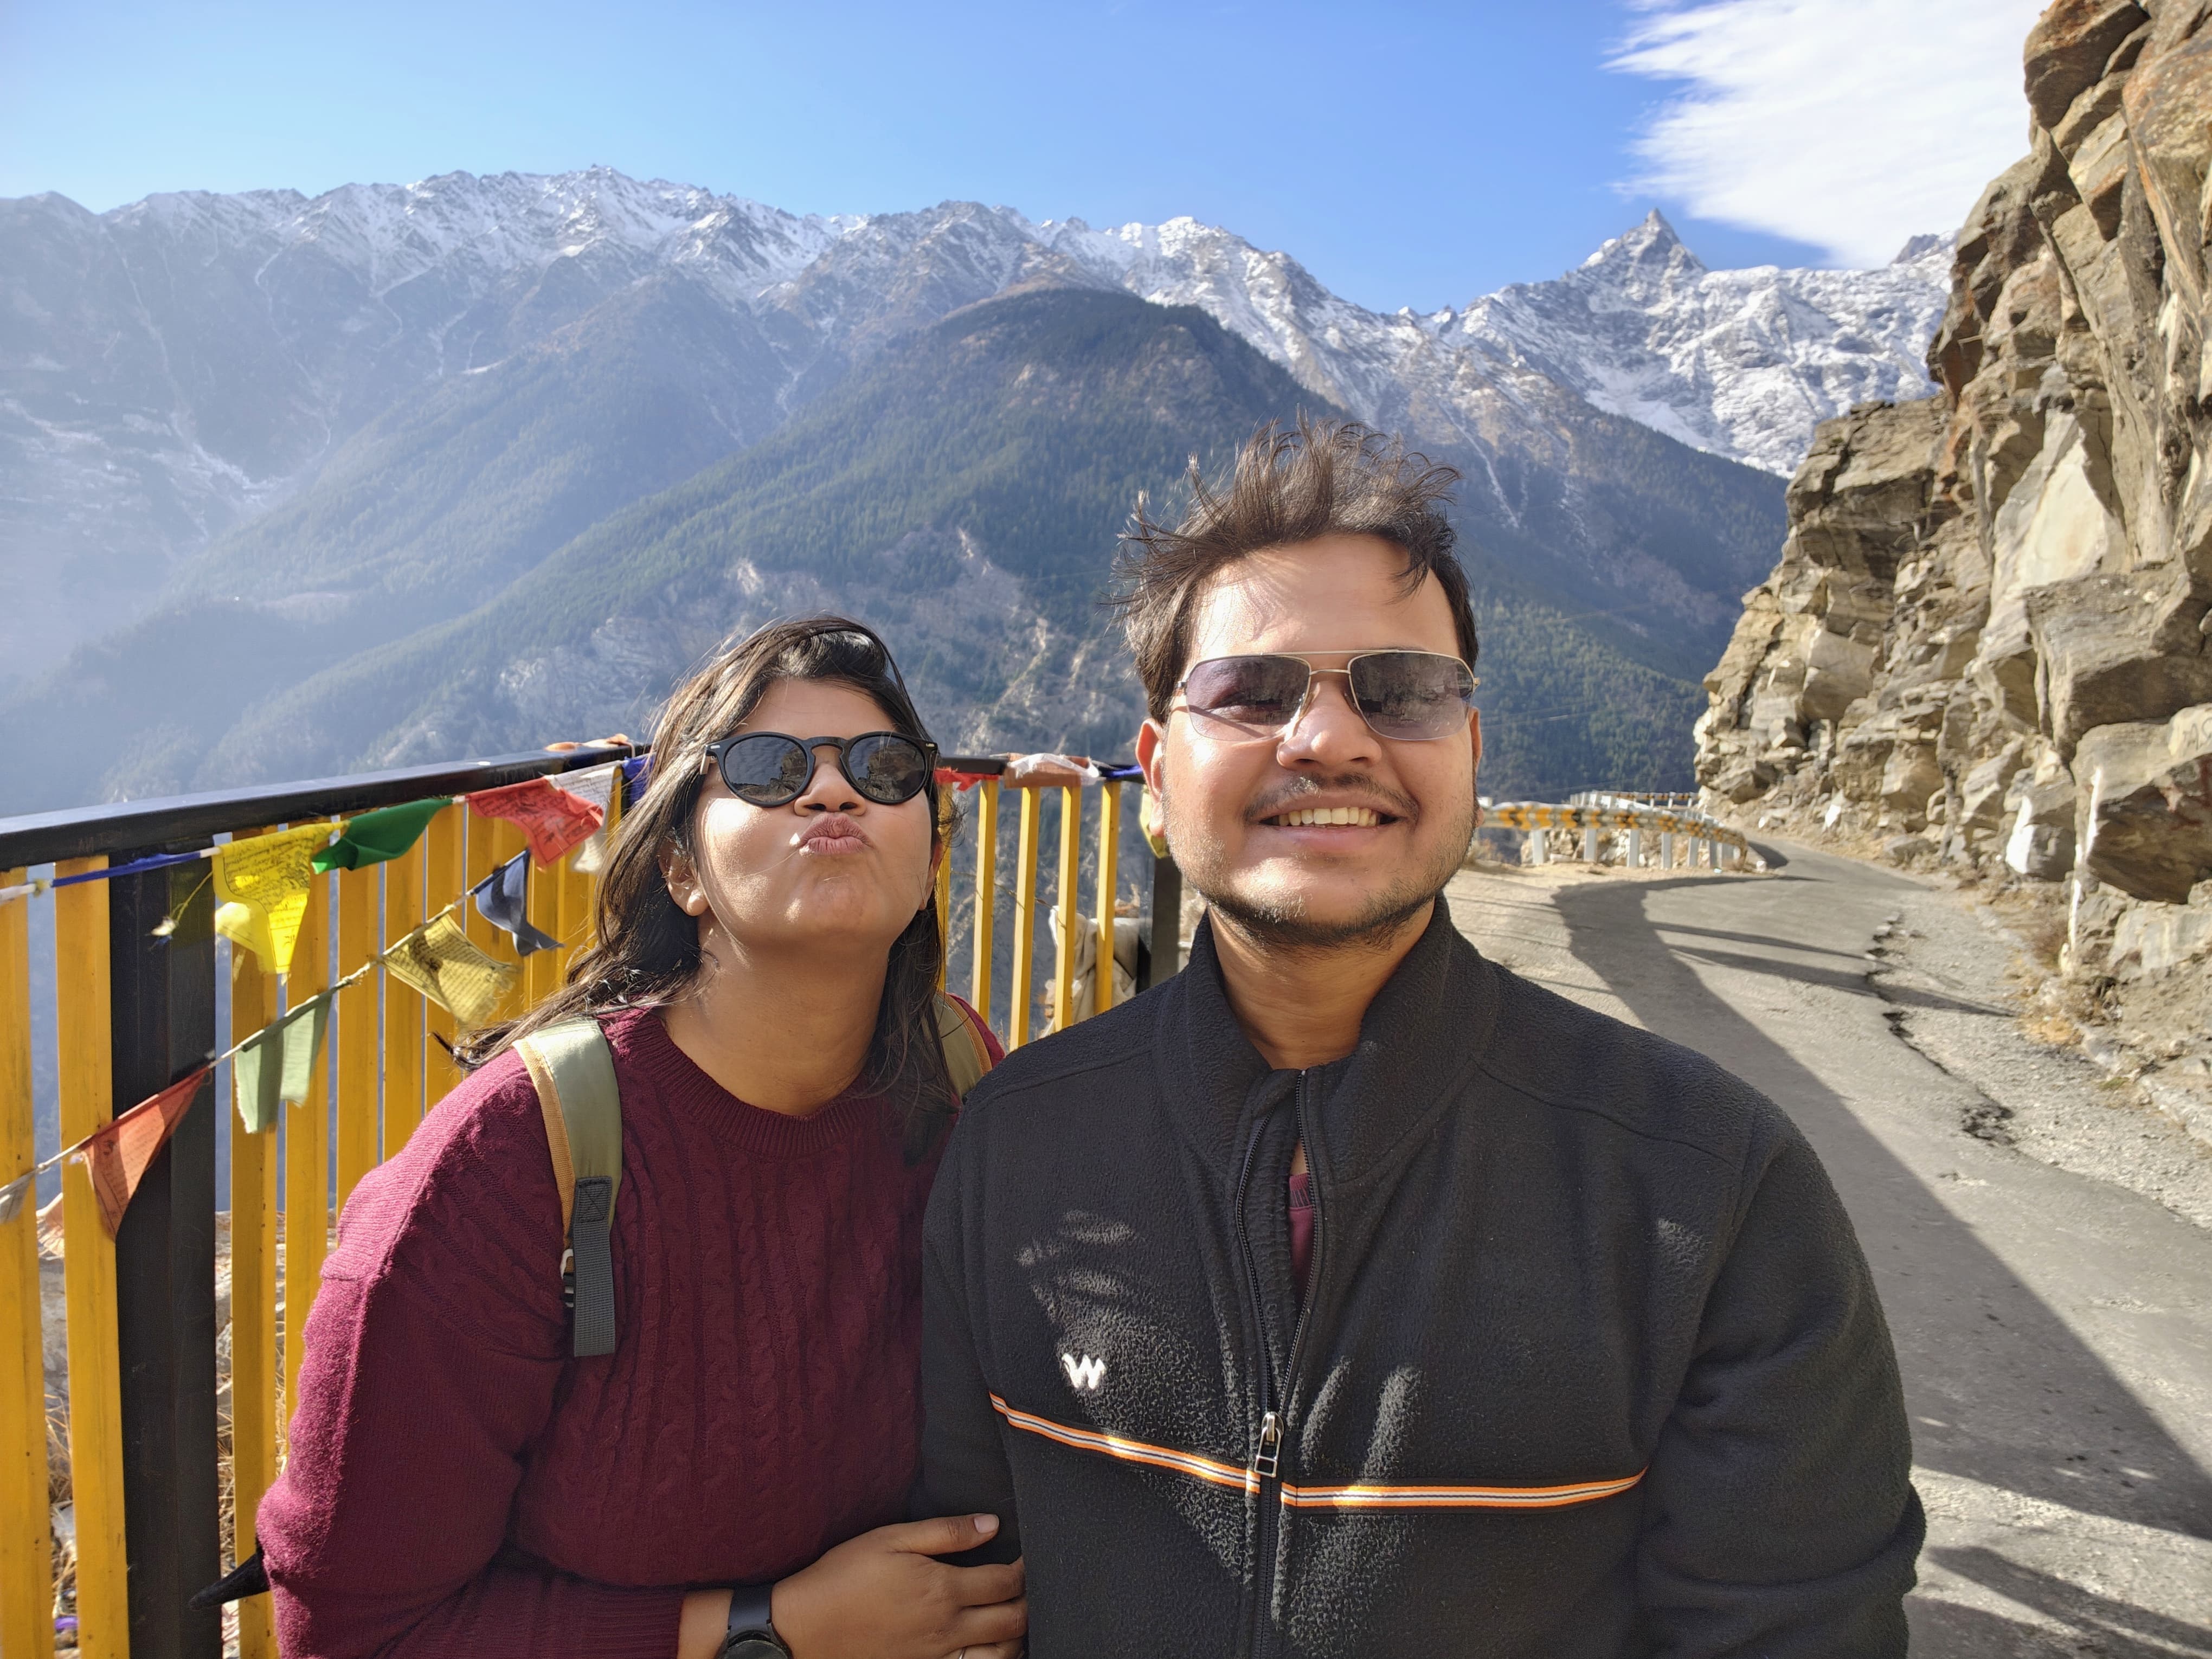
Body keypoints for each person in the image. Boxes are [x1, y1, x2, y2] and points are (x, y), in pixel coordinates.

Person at [917, 420, 1923, 1655]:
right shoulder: (1019, 1142)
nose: (1328, 739)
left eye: (1401, 691)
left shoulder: (1706, 1187)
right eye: (1252, 692)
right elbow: (958, 1582)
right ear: (1157, 776)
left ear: (1473, 754)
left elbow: (1796, 1625)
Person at [259, 618, 1028, 1659]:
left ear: (930, 856)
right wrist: (773, 1634)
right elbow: (350, 1631)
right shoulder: (505, 1174)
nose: (834, 793)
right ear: (681, 870)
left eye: (886, 770)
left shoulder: (957, 1079)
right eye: (767, 768)